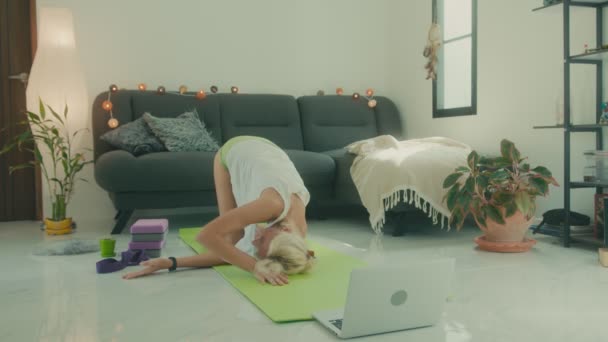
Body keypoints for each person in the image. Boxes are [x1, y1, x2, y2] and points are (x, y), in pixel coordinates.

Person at [123, 135, 315, 285]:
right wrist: (254, 266)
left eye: (258, 246)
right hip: (235, 149)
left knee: (233, 241)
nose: (255, 240)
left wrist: (171, 263)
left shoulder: (293, 237)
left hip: (269, 151)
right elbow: (206, 236)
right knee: (232, 236)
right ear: (285, 230)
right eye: (262, 239)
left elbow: (230, 254)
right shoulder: (271, 203)